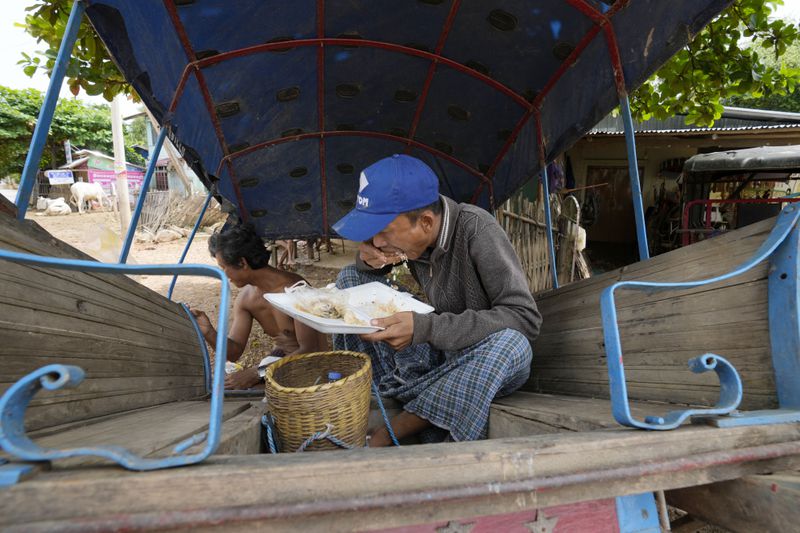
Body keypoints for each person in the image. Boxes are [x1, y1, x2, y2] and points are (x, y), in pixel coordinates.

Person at [331, 154, 542, 445]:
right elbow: (369, 265)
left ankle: (400, 427)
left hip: (483, 363)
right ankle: (382, 391)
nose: (378, 241)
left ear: (426, 223)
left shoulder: (477, 230)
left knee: (512, 344)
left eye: (383, 232)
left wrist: (424, 328)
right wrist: (369, 256)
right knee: (349, 280)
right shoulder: (415, 243)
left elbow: (525, 319)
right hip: (437, 359)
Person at [190, 224, 328, 389]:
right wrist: (209, 332)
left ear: (242, 263)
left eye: (224, 267)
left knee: (255, 393)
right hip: (282, 362)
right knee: (227, 389)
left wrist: (256, 373)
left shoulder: (296, 289)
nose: (224, 275)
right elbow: (233, 353)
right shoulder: (246, 299)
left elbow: (309, 351)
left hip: (314, 366)